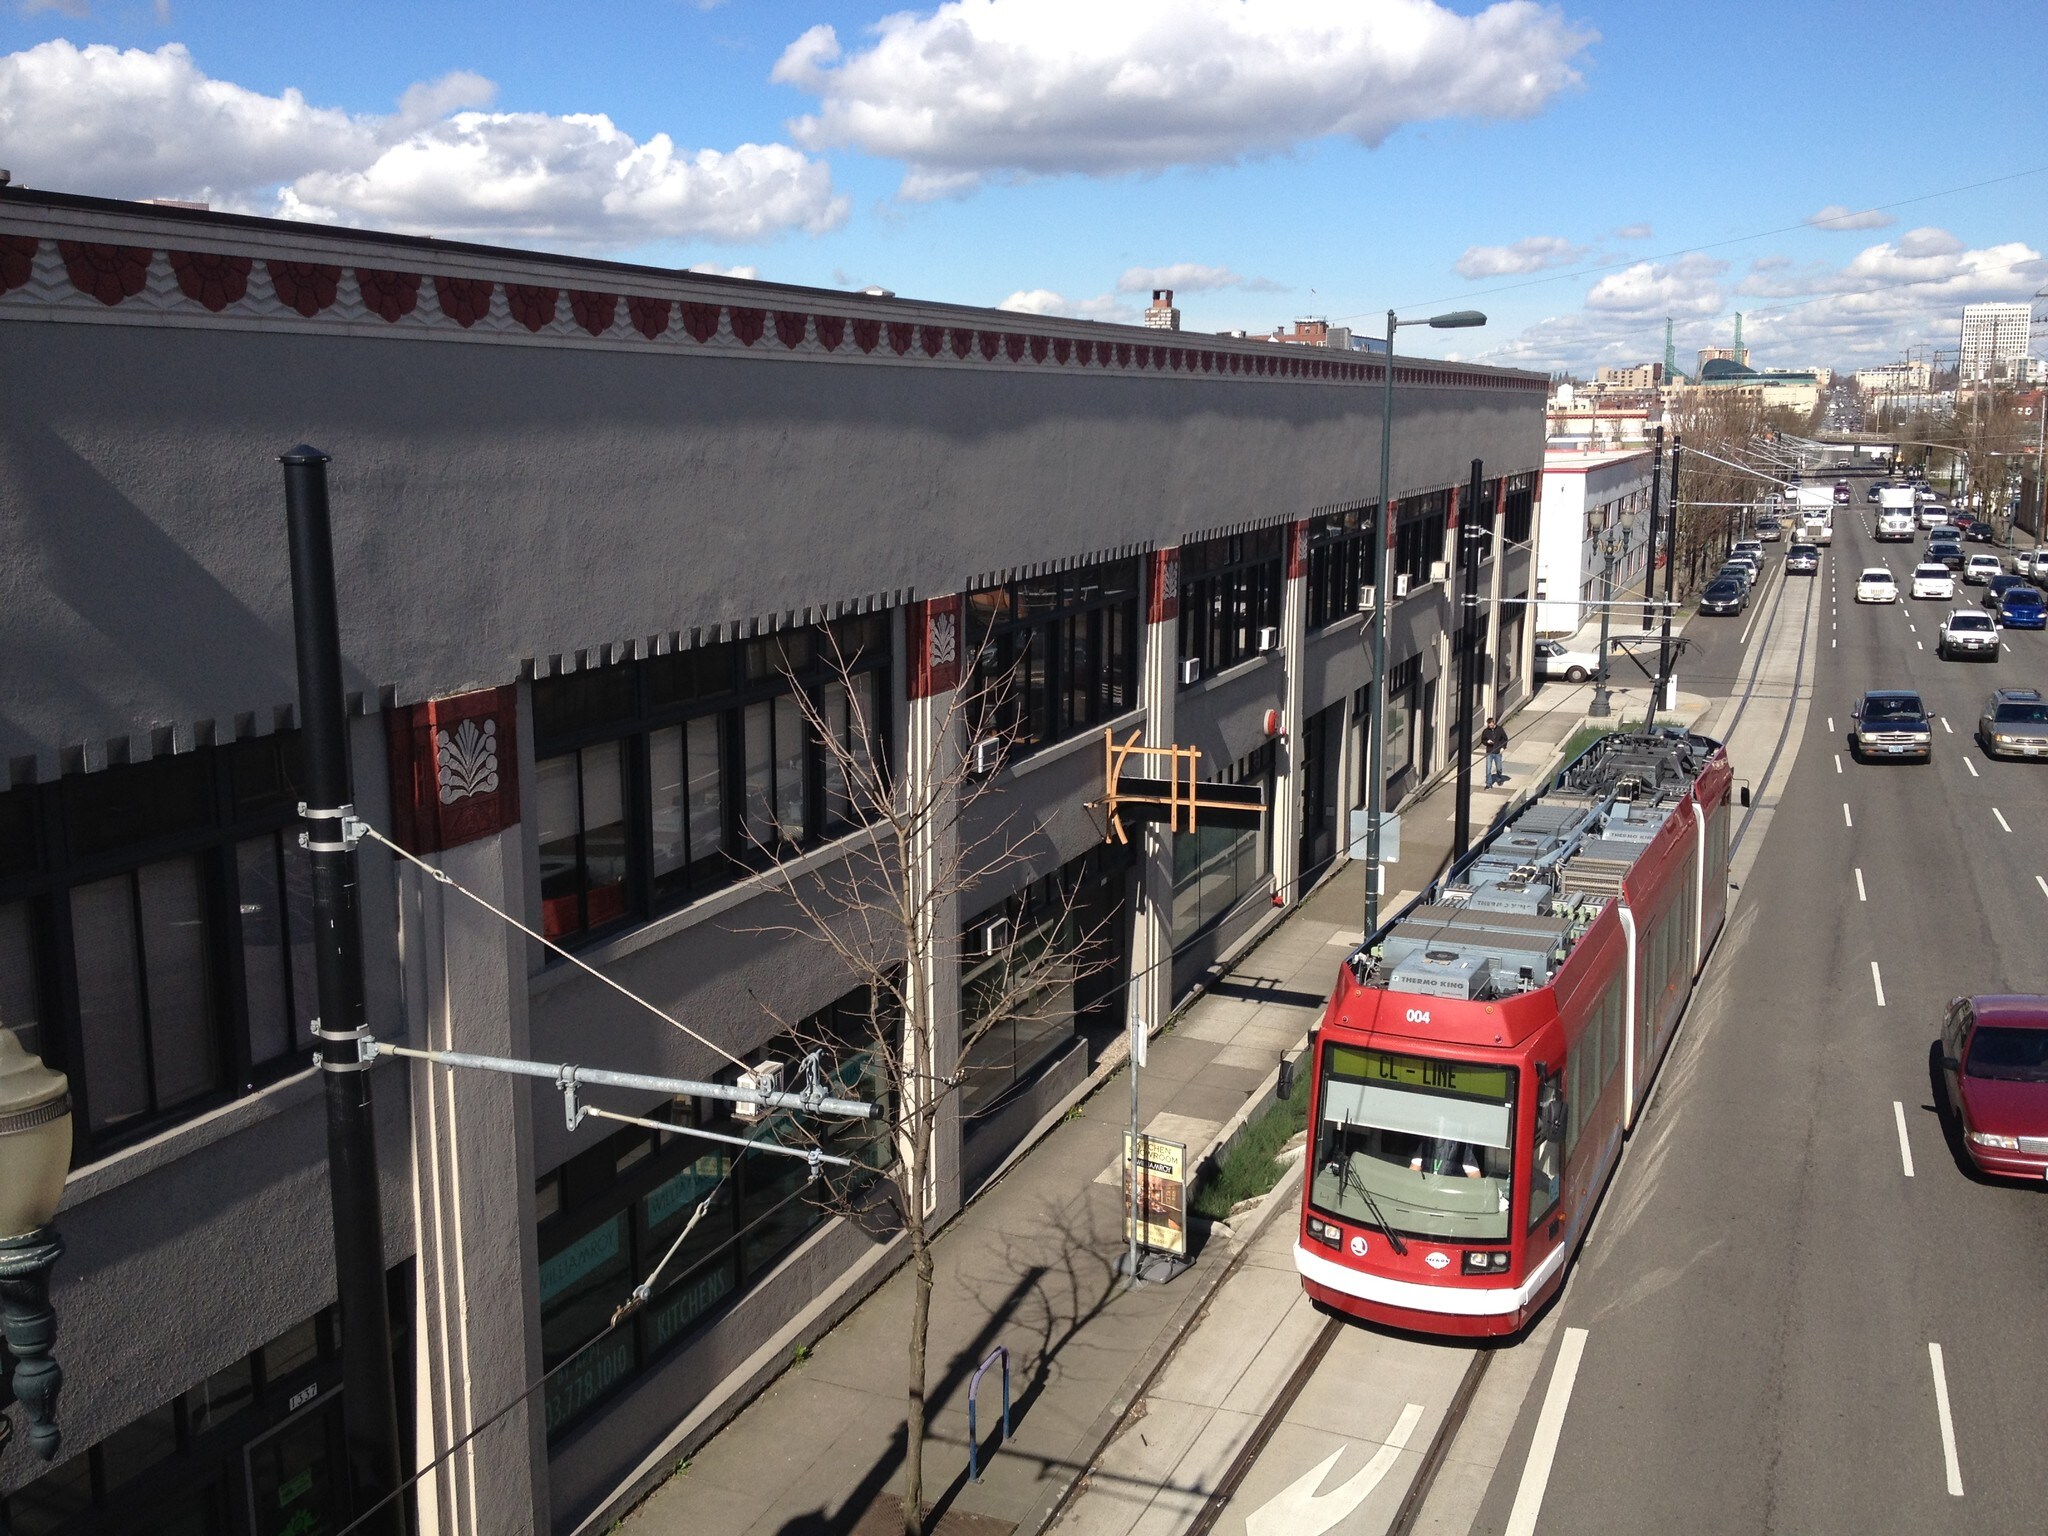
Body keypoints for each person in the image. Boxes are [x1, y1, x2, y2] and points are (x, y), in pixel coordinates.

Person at [1480, 715, 1509, 787]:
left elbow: (1505, 739)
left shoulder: (1500, 729)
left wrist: (1503, 747)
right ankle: (1488, 783)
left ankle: (1499, 778)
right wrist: (1487, 741)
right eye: (1489, 724)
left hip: (1498, 751)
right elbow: (1483, 740)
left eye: (1491, 724)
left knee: (1499, 767)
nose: (1490, 725)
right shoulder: (1486, 731)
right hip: (1489, 751)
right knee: (1488, 768)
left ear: (1494, 723)